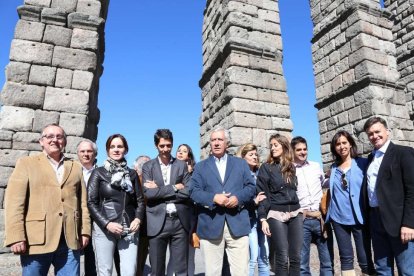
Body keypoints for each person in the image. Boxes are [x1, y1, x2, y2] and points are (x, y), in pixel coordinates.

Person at [4, 124, 91, 275]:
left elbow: (83, 203)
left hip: (70, 239)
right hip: (36, 239)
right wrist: (16, 236)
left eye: (59, 137)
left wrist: (85, 232)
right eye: (50, 136)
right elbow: (14, 203)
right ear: (41, 141)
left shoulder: (75, 167)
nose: (54, 140)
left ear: (65, 141)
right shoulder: (26, 164)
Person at [190, 126, 255, 276]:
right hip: (210, 225)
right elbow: (193, 191)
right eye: (213, 140)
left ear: (227, 143)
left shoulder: (240, 164)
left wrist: (237, 198)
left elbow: (251, 187)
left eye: (220, 139)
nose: (216, 143)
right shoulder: (200, 167)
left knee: (241, 272)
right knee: (212, 273)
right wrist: (213, 198)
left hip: (237, 224)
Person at [87, 134, 145, 276]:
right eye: (112, 147)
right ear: (107, 150)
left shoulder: (132, 174)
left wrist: (138, 218)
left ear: (125, 149)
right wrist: (107, 224)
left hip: (129, 227)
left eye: (120, 146)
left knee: (129, 271)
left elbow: (140, 200)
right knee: (105, 271)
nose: (116, 149)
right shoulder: (98, 173)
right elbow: (91, 202)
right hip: (105, 228)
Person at [363, 117, 414, 275]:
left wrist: (409, 223)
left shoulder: (403, 153)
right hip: (376, 221)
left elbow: (412, 190)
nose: (374, 136)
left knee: (406, 270)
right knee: (382, 270)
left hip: (398, 222)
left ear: (387, 132)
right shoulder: (370, 158)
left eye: (377, 132)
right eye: (370, 134)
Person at [142, 129, 191, 276]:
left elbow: (188, 192)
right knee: (157, 270)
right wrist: (175, 187)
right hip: (157, 222)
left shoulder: (181, 165)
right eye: (162, 146)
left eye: (169, 145)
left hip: (179, 222)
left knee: (182, 269)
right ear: (156, 145)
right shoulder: (148, 166)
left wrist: (159, 190)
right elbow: (148, 194)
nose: (165, 149)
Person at [326, 130, 375, 276]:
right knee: (345, 258)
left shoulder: (363, 163)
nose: (341, 146)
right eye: (338, 144)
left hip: (359, 217)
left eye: (344, 143)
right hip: (338, 218)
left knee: (365, 257)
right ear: (334, 148)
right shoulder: (333, 168)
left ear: (350, 144)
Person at [256, 133, 303, 276]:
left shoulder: (291, 167)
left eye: (275, 145)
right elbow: (263, 194)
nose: (272, 148)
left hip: (295, 213)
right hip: (275, 213)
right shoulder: (266, 167)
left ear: (284, 146)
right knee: (282, 255)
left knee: (296, 257)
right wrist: (263, 218)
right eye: (271, 146)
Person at [291, 136, 333, 276]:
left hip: (321, 219)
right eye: (299, 150)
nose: (303, 152)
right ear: (292, 151)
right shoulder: (289, 170)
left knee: (327, 262)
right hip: (301, 220)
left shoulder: (316, 166)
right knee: (302, 265)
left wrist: (335, 174)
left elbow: (325, 183)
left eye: (305, 149)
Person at [236, 143, 270, 276]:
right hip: (249, 219)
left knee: (264, 255)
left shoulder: (260, 173)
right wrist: (254, 202)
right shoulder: (239, 175)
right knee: (253, 255)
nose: (255, 157)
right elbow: (238, 198)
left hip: (262, 218)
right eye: (251, 154)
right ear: (243, 157)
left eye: (256, 154)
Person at [166, 144, 197, 276]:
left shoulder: (195, 173)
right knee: (174, 255)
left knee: (190, 254)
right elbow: (165, 191)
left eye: (184, 151)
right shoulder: (169, 169)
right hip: (172, 217)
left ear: (189, 156)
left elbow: (192, 193)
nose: (180, 153)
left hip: (190, 217)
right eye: (179, 150)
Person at [77, 139, 98, 276]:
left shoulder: (103, 172)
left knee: (93, 257)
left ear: (95, 154)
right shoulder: (70, 171)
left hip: (96, 221)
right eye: (82, 151)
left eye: (89, 151)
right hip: (75, 219)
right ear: (78, 154)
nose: (86, 154)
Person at [134, 155, 150, 276]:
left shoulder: (153, 181)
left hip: (146, 225)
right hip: (138, 223)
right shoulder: (135, 179)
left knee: (140, 257)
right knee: (138, 257)